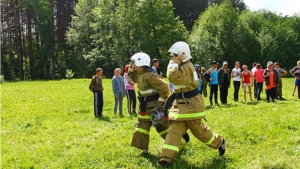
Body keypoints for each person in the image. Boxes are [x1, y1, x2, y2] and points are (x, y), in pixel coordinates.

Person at [158, 41, 225, 166]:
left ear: (183, 54)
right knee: (173, 132)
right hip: (180, 104)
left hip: (191, 105)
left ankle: (220, 142)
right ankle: (166, 159)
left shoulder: (187, 67)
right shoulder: (182, 65)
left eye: (175, 54)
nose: (172, 57)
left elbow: (171, 76)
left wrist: (174, 61)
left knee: (200, 132)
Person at [128, 52, 189, 154]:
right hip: (144, 108)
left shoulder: (150, 75)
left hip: (154, 108)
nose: (132, 65)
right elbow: (132, 75)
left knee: (163, 128)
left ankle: (178, 142)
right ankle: (144, 150)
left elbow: (164, 87)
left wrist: (161, 103)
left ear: (140, 62)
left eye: (134, 63)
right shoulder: (140, 75)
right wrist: (131, 67)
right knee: (141, 128)